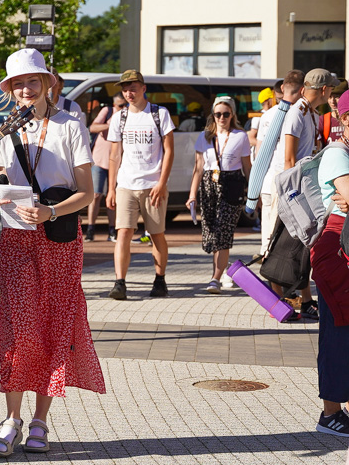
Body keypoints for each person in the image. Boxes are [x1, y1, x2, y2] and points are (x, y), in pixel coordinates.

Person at [0, 48, 105, 457]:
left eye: (31, 81)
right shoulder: (5, 129)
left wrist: (51, 209)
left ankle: (40, 421)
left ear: (47, 84)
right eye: (17, 84)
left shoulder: (71, 127)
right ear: (10, 90)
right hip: (17, 237)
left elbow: (88, 192)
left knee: (54, 324)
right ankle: (11, 420)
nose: (24, 89)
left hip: (59, 241)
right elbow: (1, 176)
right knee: (19, 328)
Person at [271, 68, 338, 319]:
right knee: (289, 245)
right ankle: (283, 295)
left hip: (302, 188)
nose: (332, 92)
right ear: (323, 90)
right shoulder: (296, 114)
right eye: (331, 88)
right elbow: (289, 158)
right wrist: (295, 197)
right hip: (294, 191)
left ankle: (300, 298)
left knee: (299, 246)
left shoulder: (310, 113)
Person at [106, 69, 175, 300]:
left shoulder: (159, 114)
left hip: (152, 185)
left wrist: (161, 183)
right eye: (125, 89)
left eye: (133, 88)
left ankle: (160, 279)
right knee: (123, 232)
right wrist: (111, 188)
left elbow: (169, 151)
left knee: (156, 234)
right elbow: (114, 156)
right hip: (126, 183)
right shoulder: (119, 117)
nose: (128, 93)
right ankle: (120, 282)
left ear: (143, 88)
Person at [185, 97, 251, 294]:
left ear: (232, 115)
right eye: (218, 114)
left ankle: (215, 277)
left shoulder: (240, 136)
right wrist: (192, 195)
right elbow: (198, 168)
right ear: (212, 116)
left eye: (226, 114)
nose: (222, 118)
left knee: (224, 232)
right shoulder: (204, 137)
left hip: (232, 184)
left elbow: (247, 166)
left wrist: (255, 194)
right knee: (212, 234)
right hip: (208, 185)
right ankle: (222, 269)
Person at [312, 89, 349, 436]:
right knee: (338, 328)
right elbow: (347, 197)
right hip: (336, 249)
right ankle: (331, 414)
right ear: (342, 120)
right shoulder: (338, 153)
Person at [254, 70, 304, 258]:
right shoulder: (299, 113)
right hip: (285, 179)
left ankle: (267, 266)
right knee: (283, 234)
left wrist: (255, 186)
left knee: (268, 231)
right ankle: (277, 276)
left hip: (268, 180)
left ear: (282, 88)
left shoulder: (267, 115)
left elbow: (260, 154)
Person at [85, 92, 124, 241]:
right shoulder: (108, 111)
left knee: (113, 196)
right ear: (114, 105)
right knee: (95, 195)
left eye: (125, 105)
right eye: (120, 105)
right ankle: (90, 229)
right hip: (100, 159)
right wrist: (110, 124)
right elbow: (93, 127)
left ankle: (112, 230)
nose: (123, 108)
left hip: (118, 162)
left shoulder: (128, 115)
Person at [319, 81, 347, 148]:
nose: (332, 101)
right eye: (329, 97)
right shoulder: (323, 120)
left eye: (337, 97)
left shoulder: (347, 119)